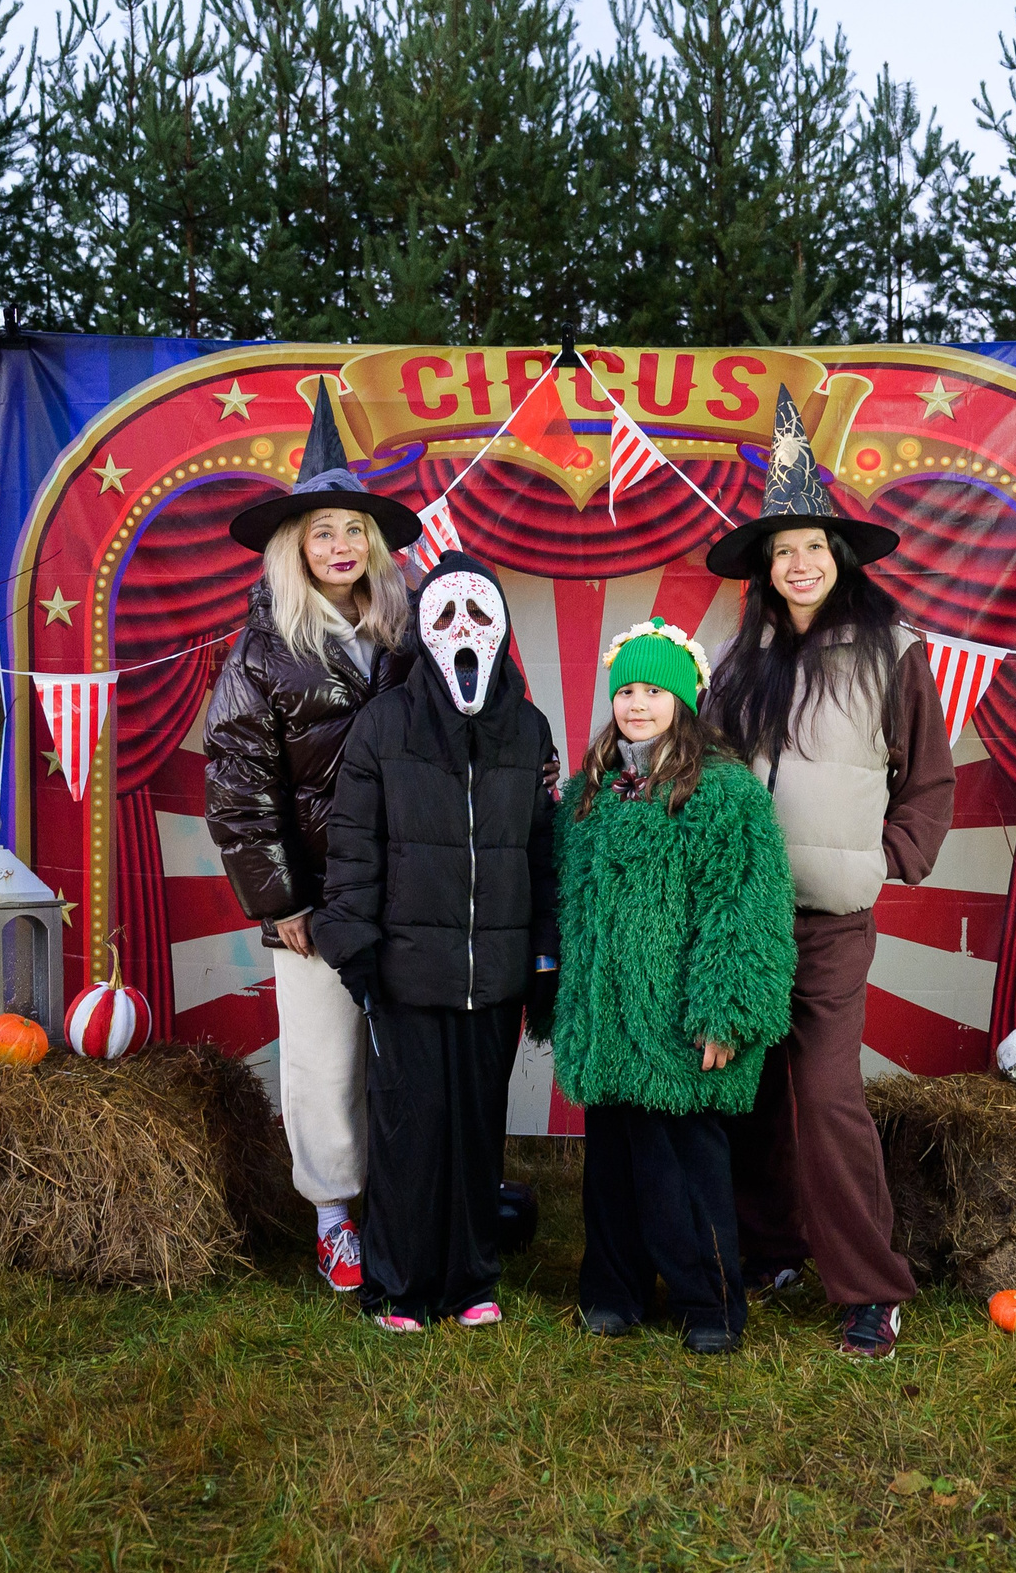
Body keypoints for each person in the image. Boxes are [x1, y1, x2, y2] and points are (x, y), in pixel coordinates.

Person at [704, 387, 956, 1361]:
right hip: (748, 915)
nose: (798, 563)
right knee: (755, 1090)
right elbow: (713, 774)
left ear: (838, 555)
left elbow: (927, 776)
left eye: (812, 546)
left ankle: (870, 1289)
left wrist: (887, 857)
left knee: (824, 1092)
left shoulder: (890, 652)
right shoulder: (743, 660)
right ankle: (770, 1248)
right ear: (765, 568)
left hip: (833, 918)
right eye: (782, 551)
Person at [203, 382, 420, 1296]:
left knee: (406, 1050)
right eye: (322, 531)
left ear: (373, 544)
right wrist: (281, 898)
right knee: (325, 1057)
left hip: (407, 883)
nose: (339, 546)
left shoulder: (407, 635)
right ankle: (334, 1217)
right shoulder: (262, 653)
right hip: (318, 893)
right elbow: (238, 787)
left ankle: (412, 1202)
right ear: (294, 546)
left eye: (352, 531)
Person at [314, 550, 560, 1333]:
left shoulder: (529, 729)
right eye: (445, 614)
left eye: (478, 613)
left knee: (477, 1128)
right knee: (409, 1127)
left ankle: (470, 1279)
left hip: (494, 974)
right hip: (406, 974)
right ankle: (400, 1285)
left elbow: (544, 849)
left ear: (502, 628)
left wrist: (544, 953)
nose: (462, 629)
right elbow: (353, 845)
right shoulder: (383, 725)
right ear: (422, 629)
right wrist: (356, 950)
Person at [548, 617, 796, 1355]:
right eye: (626, 690)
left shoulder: (723, 792)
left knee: (685, 1170)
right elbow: (566, 903)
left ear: (683, 699)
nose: (637, 703)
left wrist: (726, 1010)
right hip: (608, 1019)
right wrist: (565, 1000)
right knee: (613, 1169)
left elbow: (746, 908)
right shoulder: (589, 794)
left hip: (677, 1023)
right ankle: (614, 1290)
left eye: (654, 691)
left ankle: (708, 1301)